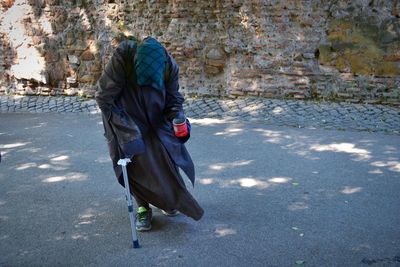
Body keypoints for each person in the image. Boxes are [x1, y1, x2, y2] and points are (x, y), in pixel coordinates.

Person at [95, 36, 204, 231]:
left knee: (167, 154)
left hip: (156, 114)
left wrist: (177, 118)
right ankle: (143, 208)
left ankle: (171, 200)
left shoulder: (169, 66)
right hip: (125, 115)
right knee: (136, 162)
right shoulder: (123, 59)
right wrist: (126, 129)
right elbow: (104, 98)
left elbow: (173, 99)